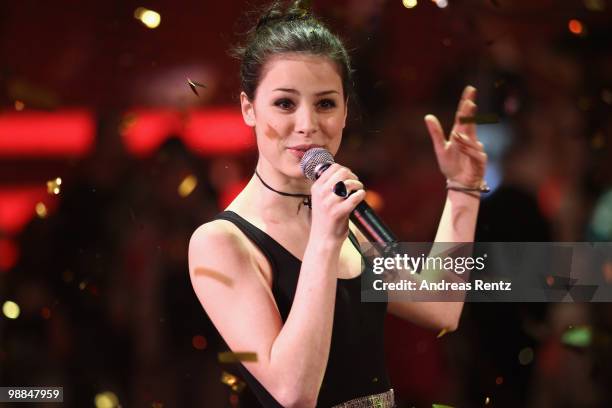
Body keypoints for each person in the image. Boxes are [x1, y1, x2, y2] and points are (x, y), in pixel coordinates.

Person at [188, 1, 487, 406]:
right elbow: (295, 393)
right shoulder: (221, 242)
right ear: (248, 108)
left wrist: (462, 189)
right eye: (285, 103)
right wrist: (325, 242)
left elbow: (440, 306)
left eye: (326, 103)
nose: (308, 124)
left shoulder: (343, 209)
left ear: (346, 111)